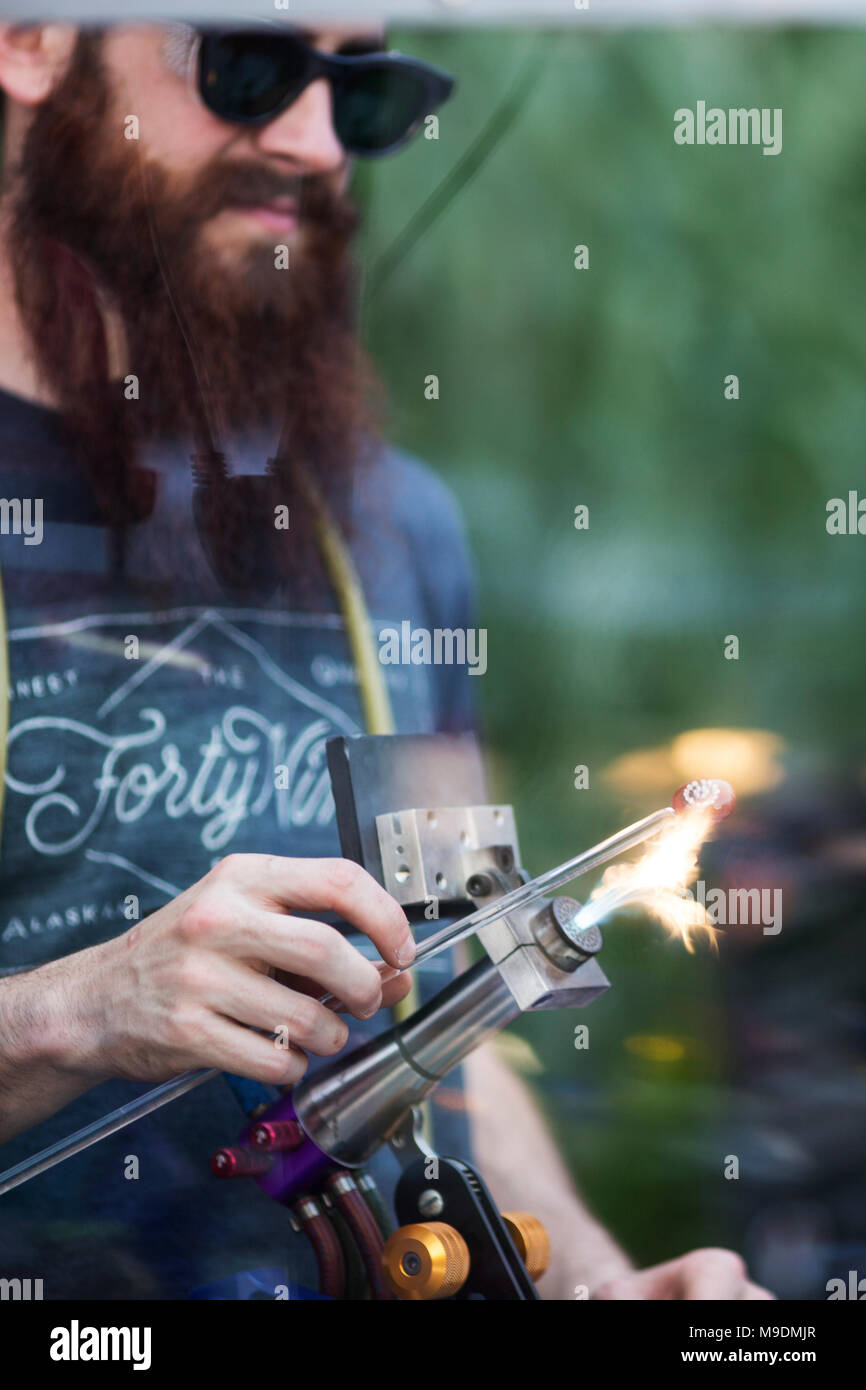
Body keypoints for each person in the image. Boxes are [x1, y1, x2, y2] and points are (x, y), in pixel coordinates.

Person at [0, 17, 771, 1300]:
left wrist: (587, 1280)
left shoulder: (388, 525)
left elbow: (454, 1021)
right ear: (32, 40)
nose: (310, 142)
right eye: (242, 68)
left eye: (359, 92)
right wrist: (80, 1007)